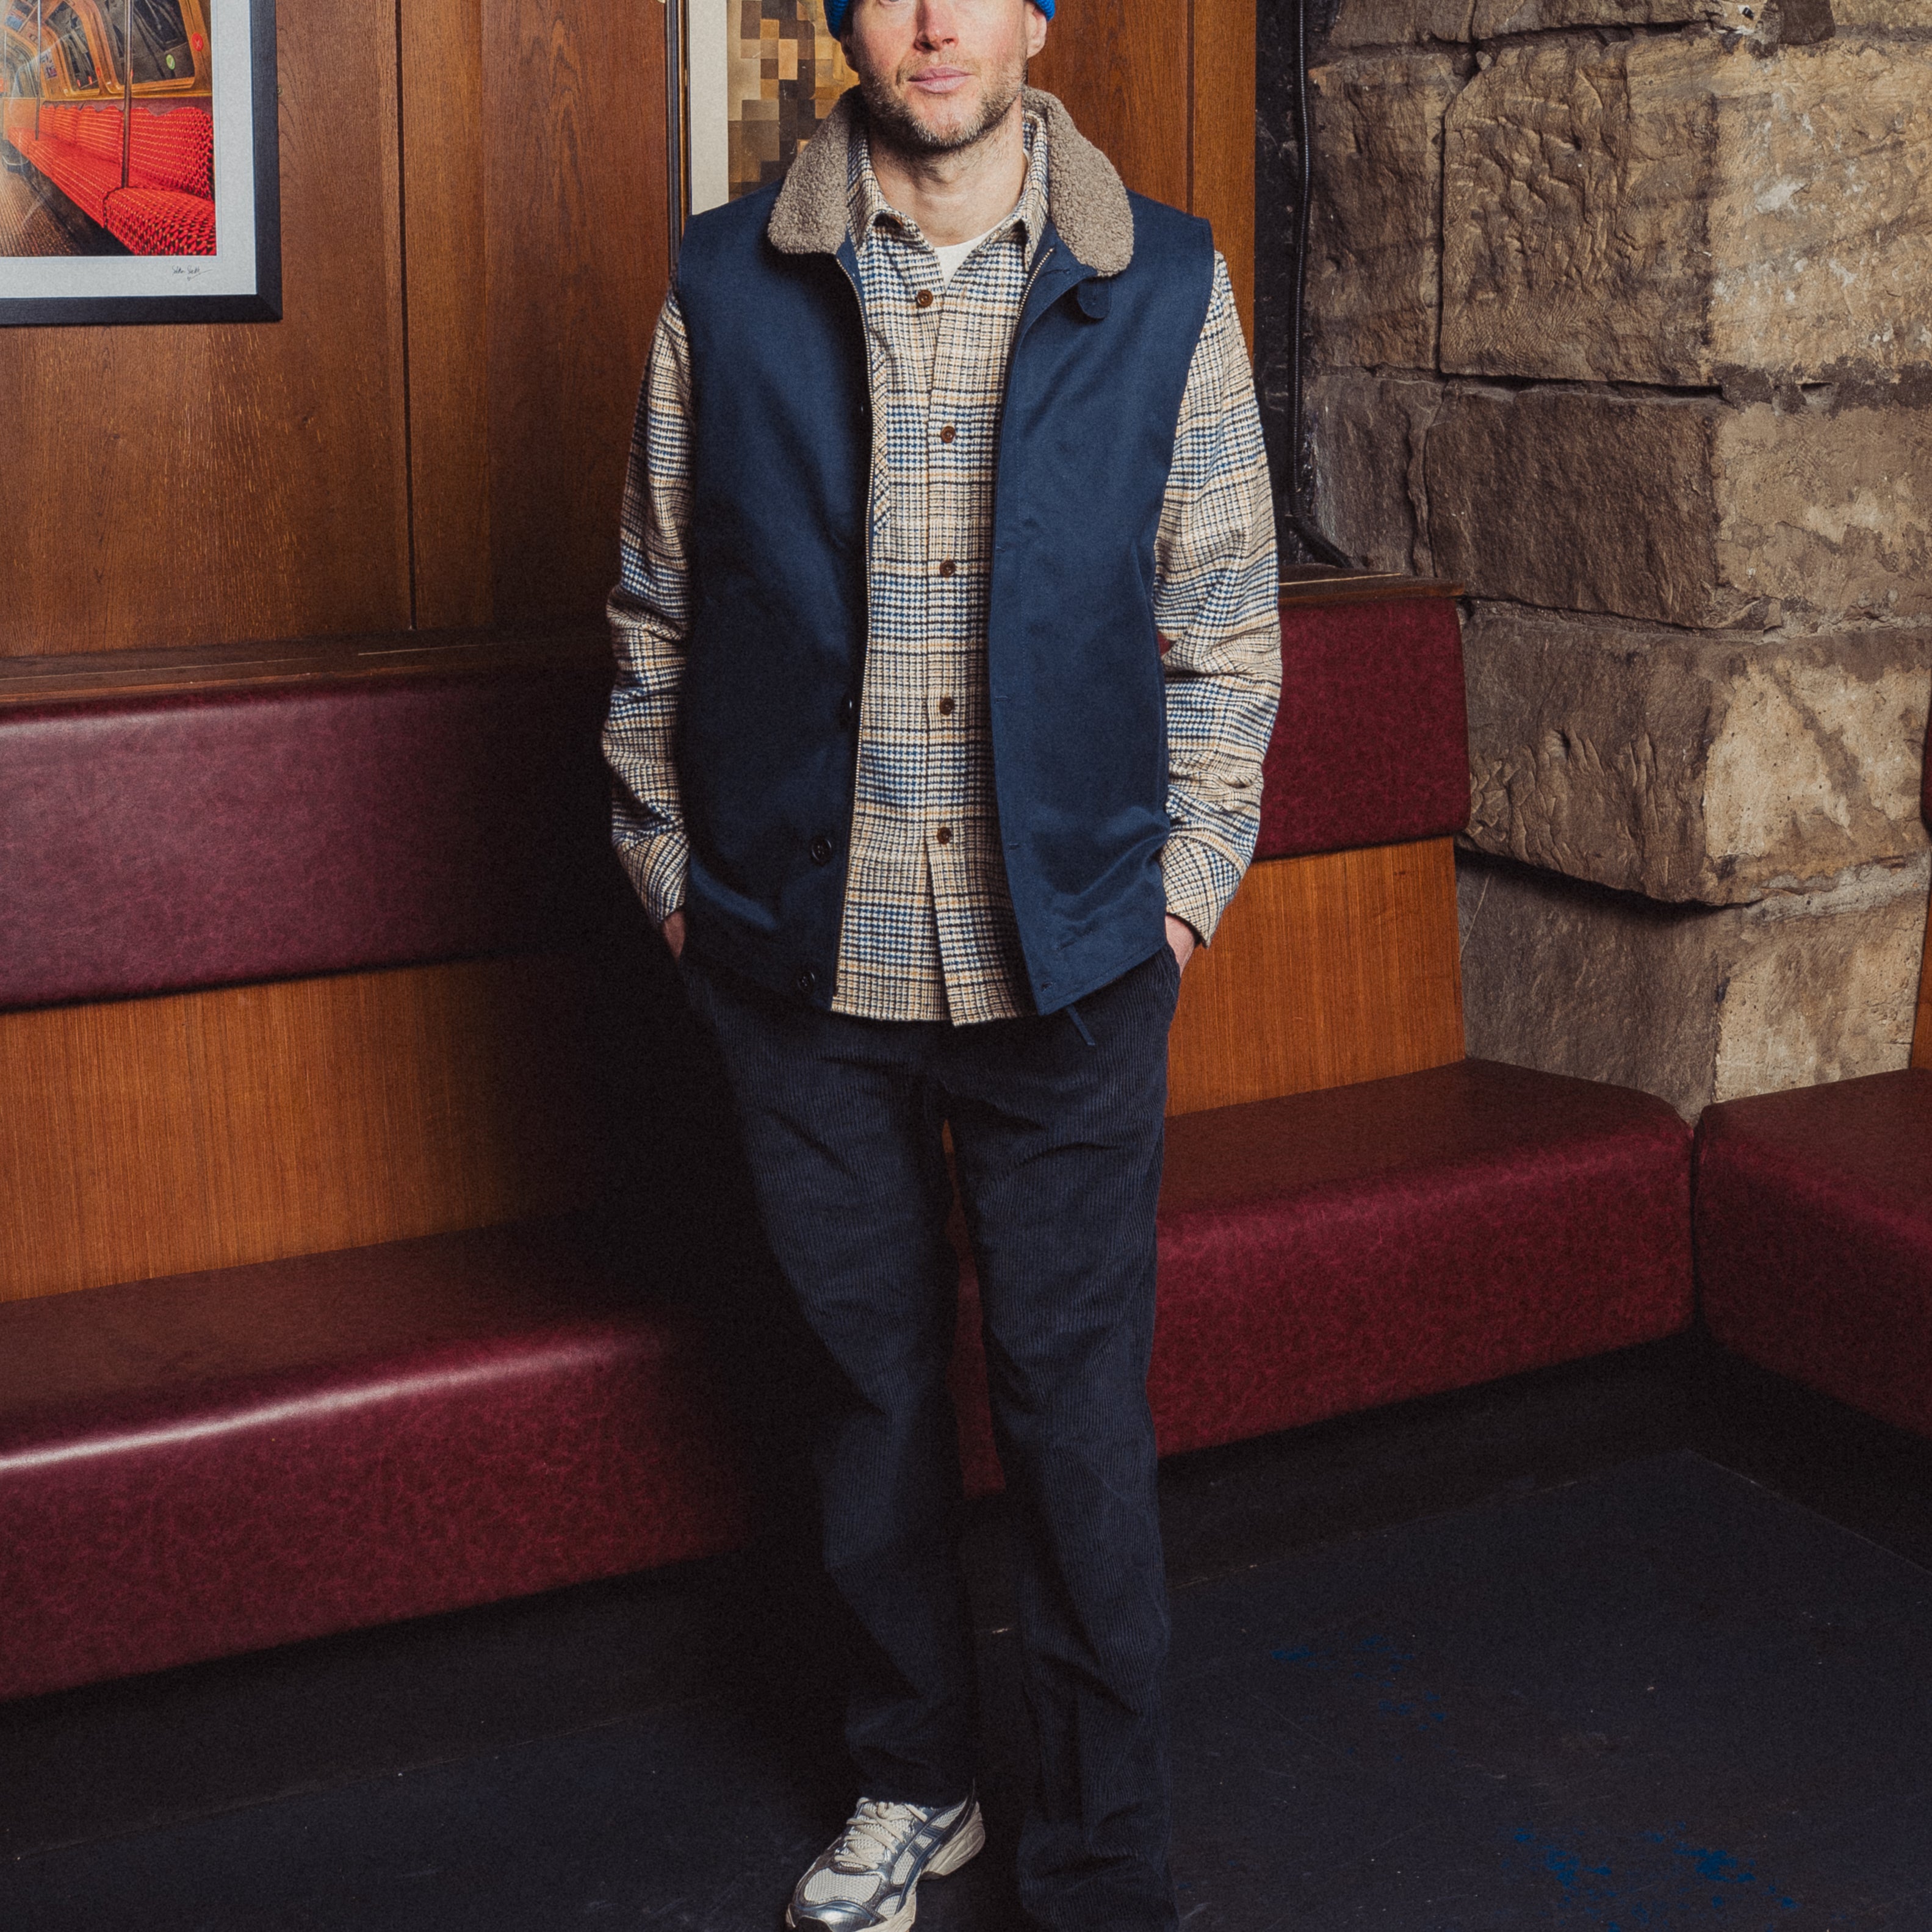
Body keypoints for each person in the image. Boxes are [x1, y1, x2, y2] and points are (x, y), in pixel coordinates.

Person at [603, 0, 1280, 1921]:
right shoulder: (729, 283)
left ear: (1037, 12)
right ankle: (916, 1783)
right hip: (798, 964)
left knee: (1076, 1424)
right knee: (861, 1407)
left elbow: (1228, 625)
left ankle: (1100, 1863)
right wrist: (676, 880)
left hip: (1071, 962)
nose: (932, 19)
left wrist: (1177, 890)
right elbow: (654, 615)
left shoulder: (1160, 283)